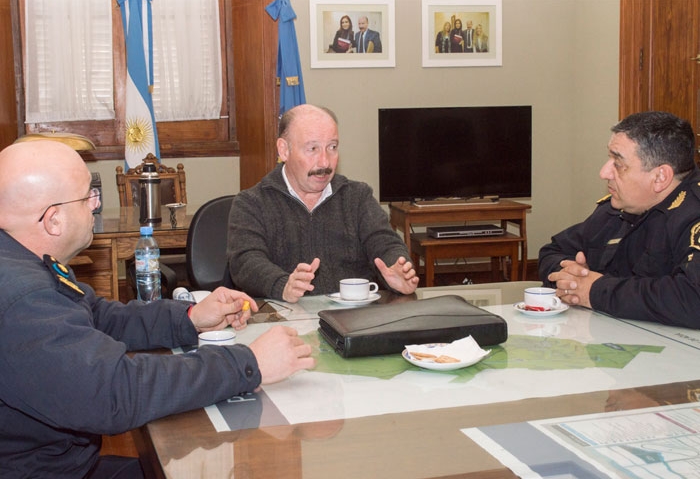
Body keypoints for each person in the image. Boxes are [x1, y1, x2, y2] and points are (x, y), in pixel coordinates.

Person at [0, 140, 316, 478]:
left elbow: (101, 318)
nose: (95, 205)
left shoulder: (22, 265)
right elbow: (115, 393)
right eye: (87, 197)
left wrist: (191, 317)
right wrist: (247, 364)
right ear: (53, 220)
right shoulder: (23, 298)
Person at [227, 104, 419, 303]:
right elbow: (245, 261)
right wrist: (282, 285)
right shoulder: (252, 203)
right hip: (284, 320)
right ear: (284, 150)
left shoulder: (357, 197)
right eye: (312, 149)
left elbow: (385, 243)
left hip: (354, 317)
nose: (325, 162)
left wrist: (398, 268)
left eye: (332, 147)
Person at [538, 111, 700, 329]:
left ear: (660, 177)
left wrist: (595, 291)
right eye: (609, 158)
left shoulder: (692, 213)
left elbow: (692, 298)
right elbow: (553, 250)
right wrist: (571, 277)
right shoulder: (618, 208)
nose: (604, 172)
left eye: (618, 163)